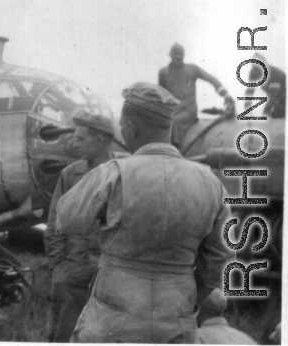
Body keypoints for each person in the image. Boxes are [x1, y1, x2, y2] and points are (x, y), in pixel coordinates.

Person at [56, 82, 233, 343]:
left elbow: (67, 220)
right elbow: (220, 258)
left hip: (112, 315)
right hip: (177, 316)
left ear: (130, 127)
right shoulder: (211, 183)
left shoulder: (113, 173)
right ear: (168, 127)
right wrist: (187, 290)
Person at [44, 110, 115, 342]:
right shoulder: (70, 174)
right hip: (72, 270)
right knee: (61, 334)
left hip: (110, 271)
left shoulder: (123, 173)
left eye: (81, 138)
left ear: (99, 140)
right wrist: (59, 266)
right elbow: (55, 221)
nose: (75, 143)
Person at [158, 43, 234, 146]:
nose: (178, 57)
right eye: (175, 54)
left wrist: (225, 95)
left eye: (180, 54)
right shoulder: (163, 73)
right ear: (170, 55)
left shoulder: (192, 69)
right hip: (172, 111)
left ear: (184, 55)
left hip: (189, 111)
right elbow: (160, 94)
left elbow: (210, 78)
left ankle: (174, 151)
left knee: (176, 122)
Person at [244, 52, 286, 119]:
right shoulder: (253, 72)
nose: (256, 71)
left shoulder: (275, 73)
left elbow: (274, 95)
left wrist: (265, 114)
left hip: (284, 96)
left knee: (276, 114)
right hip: (276, 96)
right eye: (254, 67)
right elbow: (249, 91)